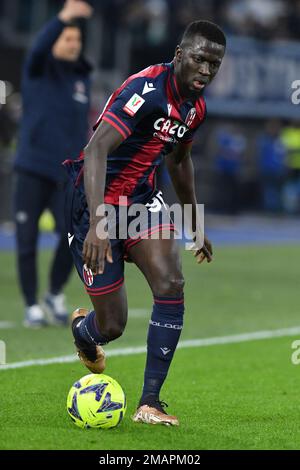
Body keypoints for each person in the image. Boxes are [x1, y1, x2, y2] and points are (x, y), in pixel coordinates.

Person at [64, 20, 226, 426]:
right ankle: (86, 333)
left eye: (214, 64)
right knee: (113, 324)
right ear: (178, 56)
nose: (205, 70)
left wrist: (193, 222)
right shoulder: (147, 91)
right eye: (199, 59)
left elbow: (179, 160)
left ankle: (150, 403)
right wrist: (100, 223)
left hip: (139, 204)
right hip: (94, 204)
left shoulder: (195, 108)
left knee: (171, 281)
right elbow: (96, 148)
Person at [14, 0, 93, 327]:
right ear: (55, 40)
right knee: (26, 238)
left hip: (65, 174)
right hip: (32, 168)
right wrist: (64, 17)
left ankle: (54, 293)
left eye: (77, 40)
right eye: (67, 39)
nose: (73, 44)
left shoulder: (81, 80)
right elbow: (39, 47)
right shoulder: (37, 69)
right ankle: (32, 303)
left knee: (72, 236)